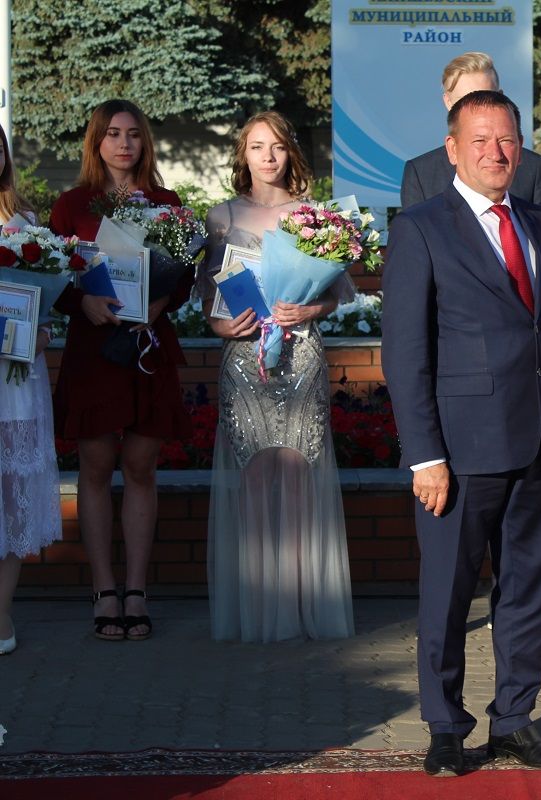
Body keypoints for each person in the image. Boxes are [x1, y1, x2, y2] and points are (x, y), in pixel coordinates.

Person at [383, 90, 541, 777]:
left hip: (536, 441)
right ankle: (445, 727)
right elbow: (406, 352)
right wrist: (424, 453)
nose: (497, 152)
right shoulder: (422, 226)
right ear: (453, 149)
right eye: (481, 140)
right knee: (449, 593)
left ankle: (515, 721)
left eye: (508, 140)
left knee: (527, 593)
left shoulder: (536, 222)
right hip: (457, 453)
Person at [201, 111, 355, 642]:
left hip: (301, 355)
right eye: (257, 146)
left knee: (298, 475)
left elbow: (337, 292)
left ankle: (297, 603)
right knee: (252, 476)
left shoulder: (316, 217)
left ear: (292, 152)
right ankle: (258, 606)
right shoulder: (220, 218)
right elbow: (209, 300)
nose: (268, 156)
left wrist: (309, 313)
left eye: (278, 146)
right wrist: (224, 325)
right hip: (244, 359)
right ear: (242, 155)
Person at [49, 99, 192, 641]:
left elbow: (181, 276)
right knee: (95, 463)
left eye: (133, 134)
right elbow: (54, 272)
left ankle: (137, 589)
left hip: (146, 345)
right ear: (96, 142)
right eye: (112, 134)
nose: (124, 143)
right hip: (94, 348)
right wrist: (79, 303)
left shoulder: (167, 202)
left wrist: (161, 304)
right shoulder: (72, 205)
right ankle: (104, 589)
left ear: (144, 142)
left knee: (139, 464)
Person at [0, 126, 62, 655]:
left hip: (18, 380)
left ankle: (1, 616)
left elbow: (46, 305)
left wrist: (41, 331)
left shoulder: (29, 228)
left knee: (15, 503)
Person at [401, 51, 541, 229]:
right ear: (448, 103)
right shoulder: (422, 173)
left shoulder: (531, 168)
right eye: (465, 101)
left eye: (486, 98)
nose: (479, 109)